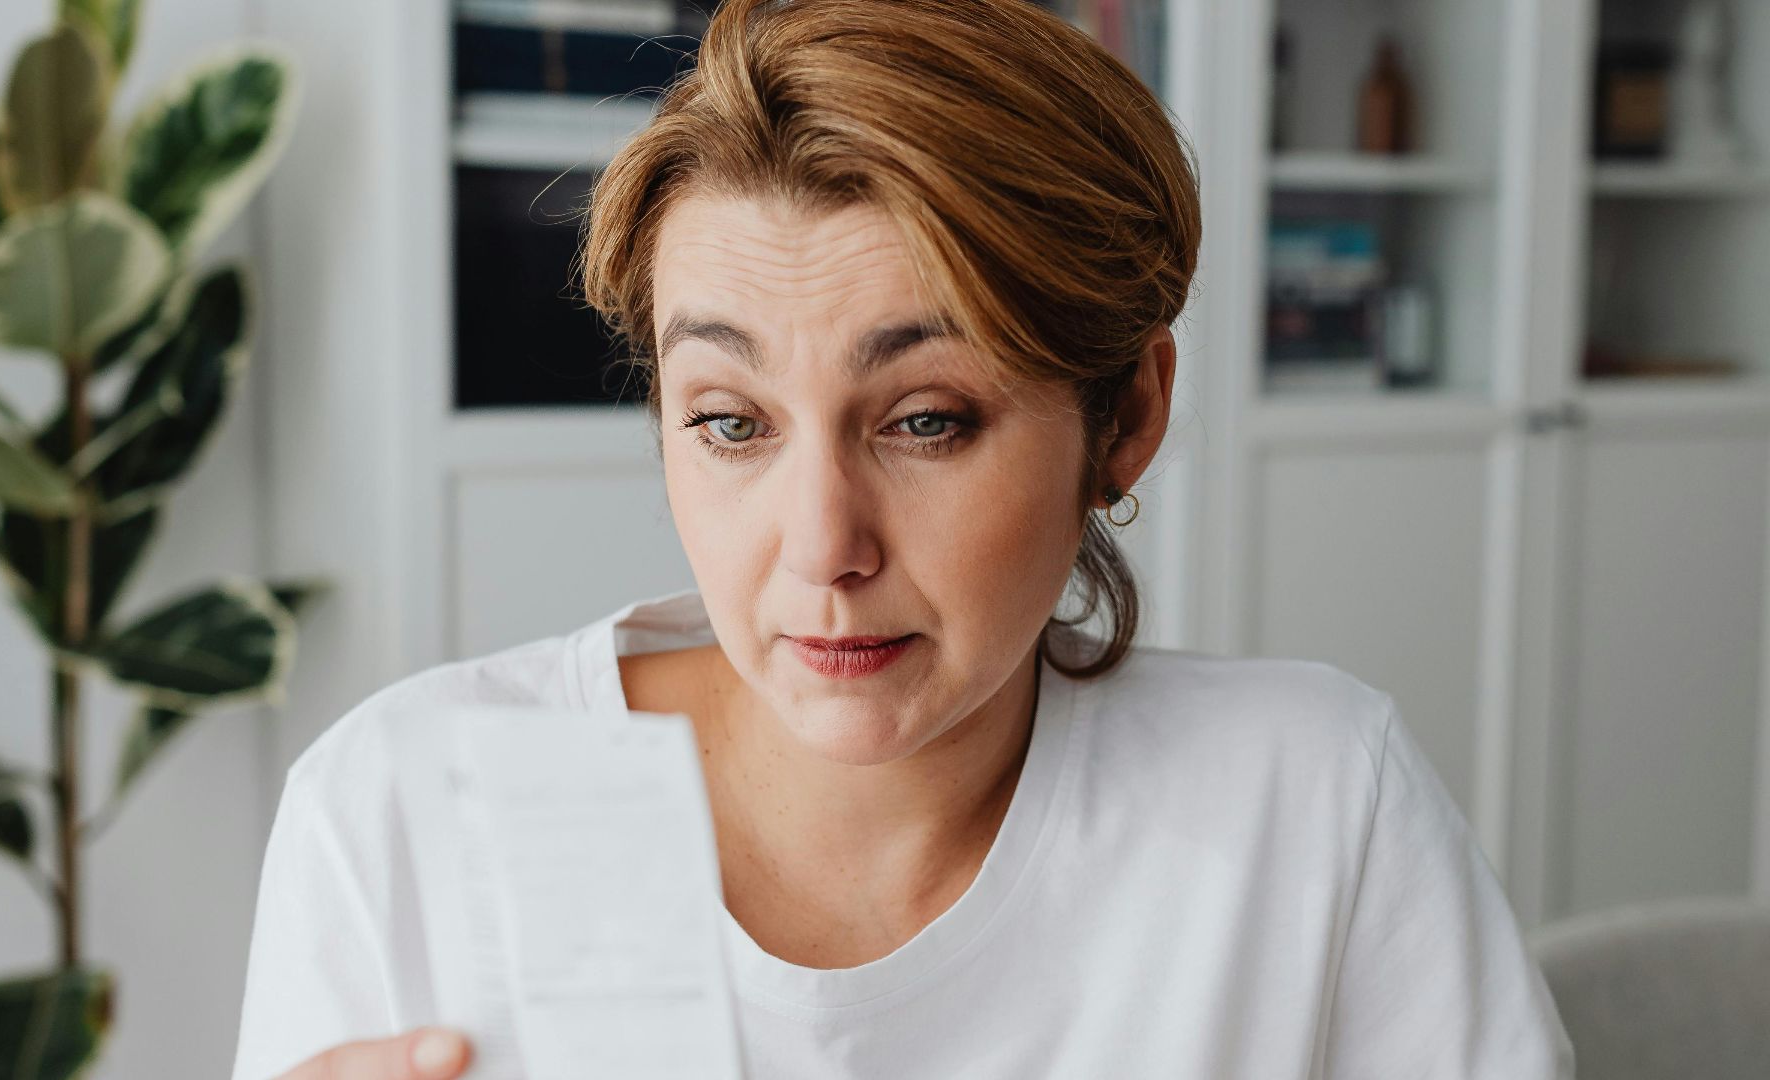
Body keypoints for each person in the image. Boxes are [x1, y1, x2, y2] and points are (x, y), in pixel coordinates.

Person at [231, 1, 1576, 1077]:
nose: (822, 547)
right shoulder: (398, 817)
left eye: (926, 420)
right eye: (730, 422)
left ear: (1127, 416)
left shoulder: (1309, 806)